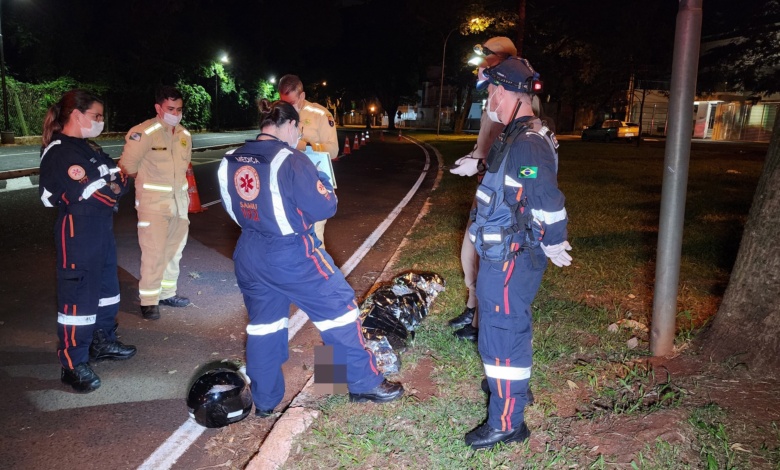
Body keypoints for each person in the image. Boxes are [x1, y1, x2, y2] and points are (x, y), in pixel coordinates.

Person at [217, 99, 403, 417]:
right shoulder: (293, 160)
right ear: (290, 125)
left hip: (249, 251)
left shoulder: (231, 159)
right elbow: (324, 206)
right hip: (291, 253)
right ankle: (362, 382)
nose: (298, 135)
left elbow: (233, 208)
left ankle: (265, 401)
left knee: (264, 326)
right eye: (298, 129)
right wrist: (323, 180)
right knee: (339, 310)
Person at [464, 57, 571, 450]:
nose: (489, 100)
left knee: (504, 333)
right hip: (503, 254)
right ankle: (506, 388)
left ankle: (507, 422)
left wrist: (554, 239)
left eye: (491, 91)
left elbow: (543, 193)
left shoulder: (527, 142)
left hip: (512, 257)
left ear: (505, 92)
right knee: (500, 331)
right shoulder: (518, 134)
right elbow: (515, 180)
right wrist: (476, 163)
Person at [39, 89, 137, 393]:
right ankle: (72, 363)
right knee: (78, 297)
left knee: (107, 289)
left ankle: (101, 341)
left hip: (101, 228)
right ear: (77, 115)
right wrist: (111, 186)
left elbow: (120, 176)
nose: (100, 121)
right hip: (77, 230)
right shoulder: (61, 151)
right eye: (96, 116)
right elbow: (100, 194)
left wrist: (112, 185)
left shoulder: (87, 148)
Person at [447, 36, 518, 343]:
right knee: (470, 253)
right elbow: (487, 142)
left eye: (486, 59)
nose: (480, 66)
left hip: (499, 194)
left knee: (486, 257)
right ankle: (473, 306)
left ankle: (481, 323)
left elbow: (512, 152)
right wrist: (474, 157)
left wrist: (479, 164)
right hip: (484, 187)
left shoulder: (513, 96)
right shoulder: (492, 94)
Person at [118, 86, 193, 320]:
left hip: (179, 204)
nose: (175, 113)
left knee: (174, 251)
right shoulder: (143, 133)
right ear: (158, 108)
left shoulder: (184, 135)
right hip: (153, 205)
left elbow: (183, 169)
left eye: (179, 109)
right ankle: (149, 300)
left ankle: (167, 292)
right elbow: (127, 166)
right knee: (154, 252)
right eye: (170, 108)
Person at [278, 74, 339, 249]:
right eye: (283, 102)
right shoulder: (280, 114)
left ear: (302, 96)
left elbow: (333, 149)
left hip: (314, 184)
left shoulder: (320, 115)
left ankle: (320, 266)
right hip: (289, 184)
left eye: (291, 103)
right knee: (291, 237)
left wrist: (305, 146)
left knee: (314, 237)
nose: (287, 107)